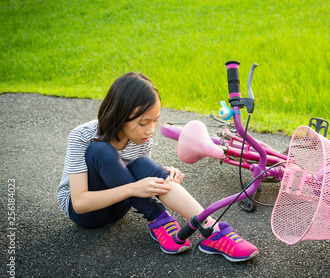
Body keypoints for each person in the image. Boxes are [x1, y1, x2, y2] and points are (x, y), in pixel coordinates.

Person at [56, 72, 259, 262]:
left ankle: (211, 229)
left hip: (120, 205)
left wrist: (161, 172)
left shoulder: (143, 137)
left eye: (155, 120)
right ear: (120, 115)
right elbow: (79, 203)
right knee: (100, 150)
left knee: (144, 164)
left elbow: (135, 172)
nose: (151, 130)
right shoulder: (81, 135)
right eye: (144, 123)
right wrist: (134, 188)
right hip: (88, 214)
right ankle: (157, 217)